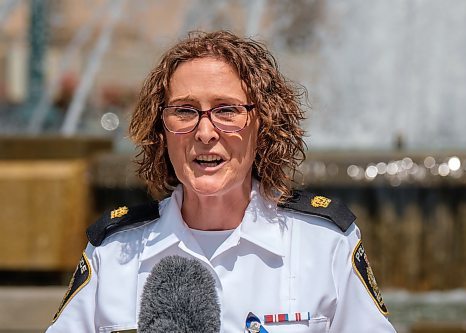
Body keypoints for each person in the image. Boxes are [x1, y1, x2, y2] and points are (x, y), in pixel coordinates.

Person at [46, 30, 396, 332]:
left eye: (227, 110)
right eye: (184, 111)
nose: (205, 132)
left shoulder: (323, 244)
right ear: (160, 130)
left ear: (264, 124)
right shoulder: (112, 252)